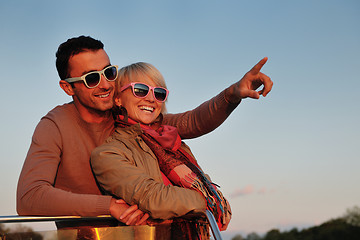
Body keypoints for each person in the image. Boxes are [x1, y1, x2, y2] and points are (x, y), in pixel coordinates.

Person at [16, 35, 272, 226]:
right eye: (91, 78)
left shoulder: (132, 122)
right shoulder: (55, 125)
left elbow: (194, 121)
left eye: (109, 72)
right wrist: (107, 206)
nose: (105, 84)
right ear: (68, 87)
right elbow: (29, 197)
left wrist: (232, 94)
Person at [90, 62, 232, 232]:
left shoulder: (174, 144)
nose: (151, 99)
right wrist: (210, 200)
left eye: (159, 93)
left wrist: (210, 198)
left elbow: (211, 190)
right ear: (118, 98)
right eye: (140, 90)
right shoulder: (108, 153)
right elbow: (155, 199)